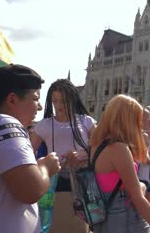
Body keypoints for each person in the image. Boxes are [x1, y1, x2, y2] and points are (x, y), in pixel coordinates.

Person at [0, 64, 60, 232]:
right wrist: (45, 167)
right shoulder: (4, 124)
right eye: (35, 99)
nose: (40, 107)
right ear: (12, 100)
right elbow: (31, 190)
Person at [30, 79, 96, 233]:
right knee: (54, 226)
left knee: (80, 227)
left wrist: (83, 154)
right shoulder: (44, 124)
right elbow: (27, 152)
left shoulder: (86, 121)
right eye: (55, 101)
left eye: (63, 101)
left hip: (83, 185)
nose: (58, 105)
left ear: (72, 99)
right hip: (55, 186)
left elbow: (101, 148)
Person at [89, 94, 150, 232]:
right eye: (137, 120)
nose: (139, 125)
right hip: (124, 217)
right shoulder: (118, 148)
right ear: (127, 120)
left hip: (105, 218)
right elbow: (137, 197)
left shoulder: (97, 144)